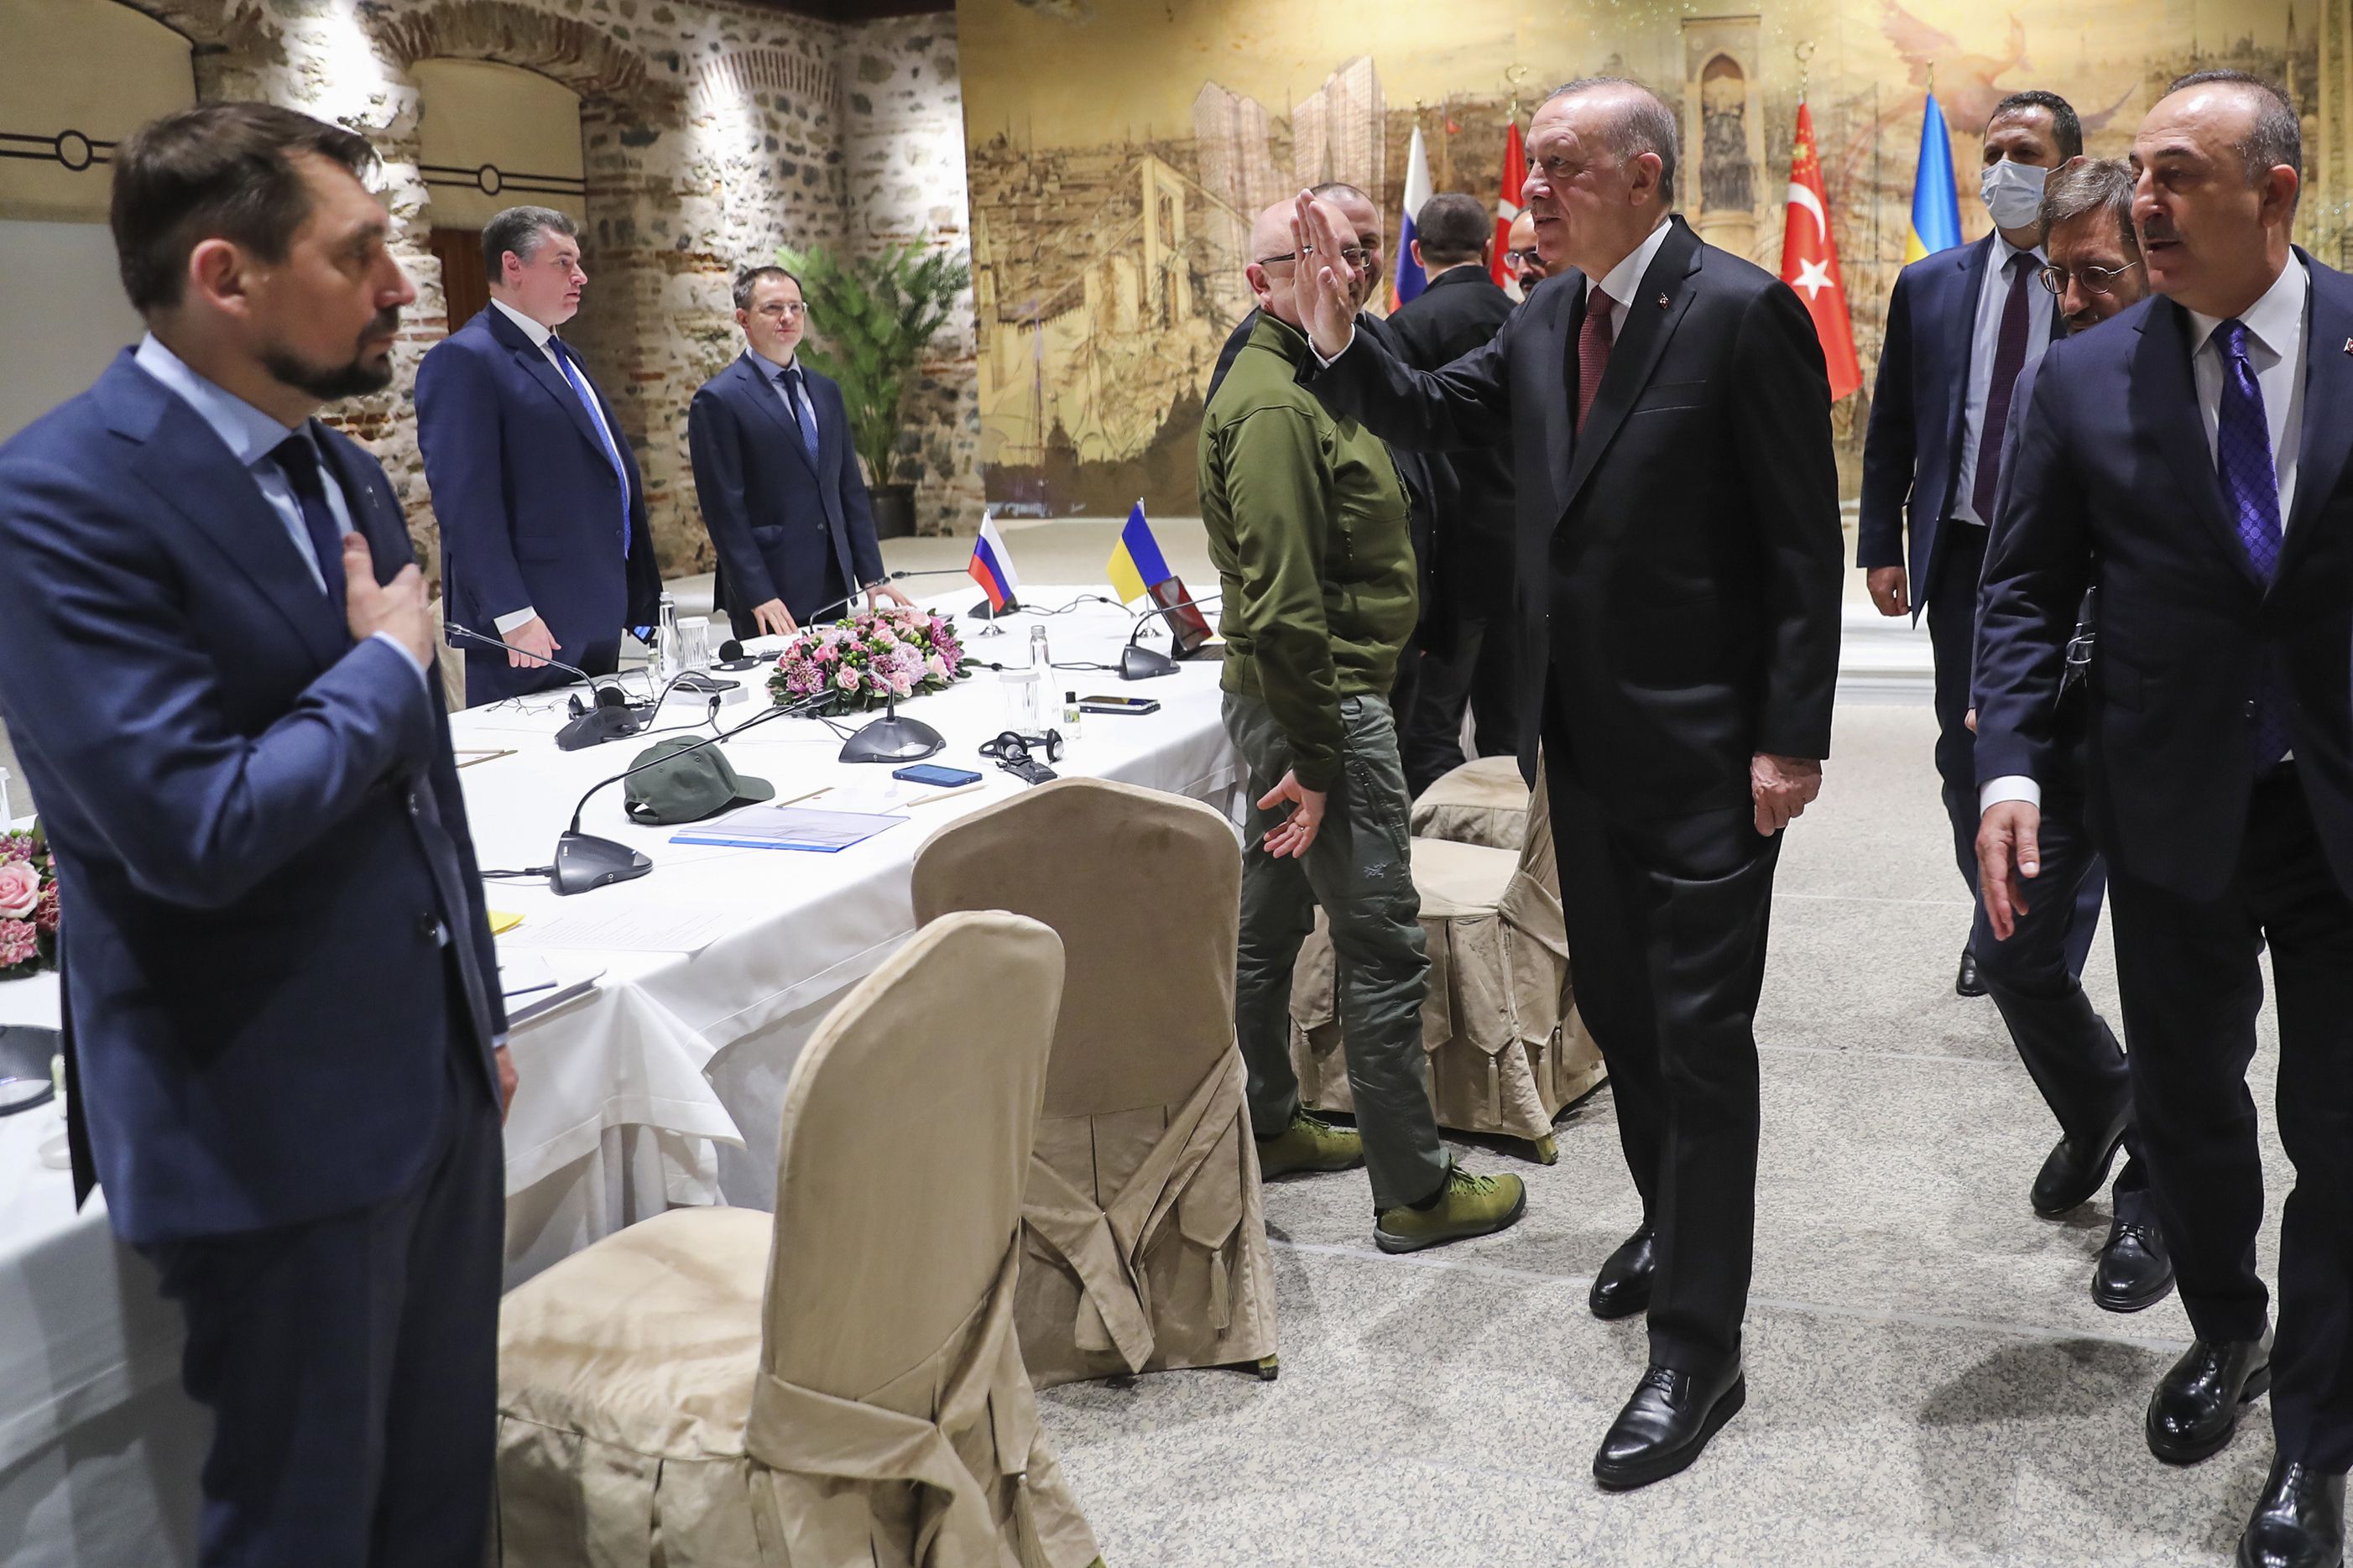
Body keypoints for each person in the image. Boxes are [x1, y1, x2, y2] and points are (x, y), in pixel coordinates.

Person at [1294, 76, 1843, 1487]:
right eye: (1529, 171)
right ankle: (1668, 1216)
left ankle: (1696, 1343)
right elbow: (1417, 407)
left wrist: (1791, 735)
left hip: (1712, 753)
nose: (1530, 191)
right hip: (1573, 750)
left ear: (1645, 176)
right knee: (1617, 1005)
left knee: (1700, 1037)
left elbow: (1796, 544)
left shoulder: (1737, 313)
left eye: (1559, 167)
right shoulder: (1544, 316)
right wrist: (1330, 331)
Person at [0, 102, 514, 1565]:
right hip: (261, 1113)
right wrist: (382, 665)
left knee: (436, 1504)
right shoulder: (55, 500)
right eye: (358, 256)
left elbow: (420, 786)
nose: (405, 288)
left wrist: (464, 1002)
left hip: (424, 1079)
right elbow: (192, 826)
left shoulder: (334, 465)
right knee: (302, 1523)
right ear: (225, 277)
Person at [1976, 71, 2353, 1567]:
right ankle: (2226, 1329)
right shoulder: (2085, 377)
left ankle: (2313, 1439)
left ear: (2273, 192)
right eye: (2136, 173)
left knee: (2334, 1129)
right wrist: (2006, 766)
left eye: (2176, 175)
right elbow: (2016, 588)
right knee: (2190, 1117)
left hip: (2334, 809)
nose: (2139, 203)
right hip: (2169, 807)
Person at [1203, 195, 1527, 1258]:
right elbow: (1288, 601)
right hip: (1323, 703)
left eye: (1348, 255)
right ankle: (1413, 1187)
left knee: (1273, 916)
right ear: (1262, 281)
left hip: (1309, 697)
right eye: (1316, 259)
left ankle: (1266, 1116)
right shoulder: (1271, 408)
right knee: (1381, 941)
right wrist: (1317, 759)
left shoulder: (1312, 377)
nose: (1344, 275)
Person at [1969, 157, 2169, 1314]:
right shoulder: (2062, 384)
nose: (2076, 296)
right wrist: (2002, 707)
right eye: (2060, 276)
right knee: (2012, 956)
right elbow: (2024, 575)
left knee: (2176, 987)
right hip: (2057, 732)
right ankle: (2105, 1100)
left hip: (2178, 738)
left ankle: (2150, 1200)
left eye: (2099, 274)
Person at [1860, 90, 2080, 999]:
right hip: (1961, 551)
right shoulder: (1931, 284)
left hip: (2074, 556)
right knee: (1965, 750)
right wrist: (1880, 541)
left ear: (2065, 166)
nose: (1999, 171)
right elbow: (1895, 424)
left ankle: (2043, 942)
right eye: (1988, 152)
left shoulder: (2105, 275)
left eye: (2020, 152)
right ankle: (1991, 915)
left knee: (2069, 754)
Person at [417, 204, 661, 706]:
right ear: (513, 267)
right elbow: (466, 503)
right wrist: (514, 615)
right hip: (532, 629)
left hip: (592, 608)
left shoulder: (565, 355)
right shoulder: (466, 358)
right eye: (563, 262)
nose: (581, 276)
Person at [687, 265, 912, 638]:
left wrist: (871, 573)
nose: (788, 317)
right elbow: (724, 510)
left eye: (796, 307)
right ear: (743, 318)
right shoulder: (719, 399)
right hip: (771, 592)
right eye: (773, 308)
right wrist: (757, 593)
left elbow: (848, 488)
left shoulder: (826, 391)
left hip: (830, 579)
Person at [1383, 191, 1521, 794]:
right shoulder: (1526, 319)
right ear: (1489, 250)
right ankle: (1517, 863)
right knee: (1512, 730)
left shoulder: (1403, 330)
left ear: (1416, 252)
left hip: (1446, 556)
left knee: (1432, 727)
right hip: (1520, 546)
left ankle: (1438, 862)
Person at [1504, 208, 1549, 298]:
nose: (1524, 270)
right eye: (1514, 257)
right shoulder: (1517, 311)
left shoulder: (1582, 307)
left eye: (1535, 257)